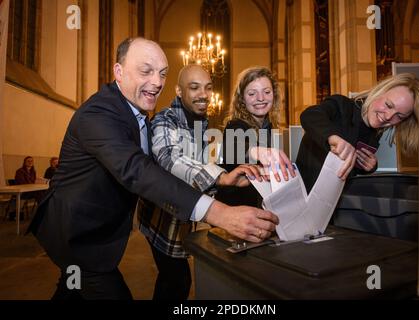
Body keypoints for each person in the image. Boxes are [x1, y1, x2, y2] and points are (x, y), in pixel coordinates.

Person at [27, 38, 280, 300]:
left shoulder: (137, 112)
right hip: (75, 232)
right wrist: (220, 213)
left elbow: (195, 159)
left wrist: (223, 176)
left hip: (103, 229)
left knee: (70, 291)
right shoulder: (99, 113)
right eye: (145, 71)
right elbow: (140, 169)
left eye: (162, 74)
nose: (157, 82)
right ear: (119, 72)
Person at [139, 64, 264, 300]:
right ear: (178, 91)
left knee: (174, 281)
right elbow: (169, 157)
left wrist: (235, 171)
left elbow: (198, 169)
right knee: (177, 281)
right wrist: (220, 176)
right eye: (194, 87)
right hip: (161, 222)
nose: (203, 94)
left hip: (182, 220)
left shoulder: (201, 124)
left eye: (208, 88)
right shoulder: (165, 119)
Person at [295, 72, 419, 193]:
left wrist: (368, 167)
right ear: (379, 92)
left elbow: (349, 169)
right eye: (389, 105)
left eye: (399, 116)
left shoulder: (375, 134)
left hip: (336, 202)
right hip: (306, 193)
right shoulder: (342, 106)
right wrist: (333, 138)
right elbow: (310, 115)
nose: (389, 116)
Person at [216, 66, 287, 207]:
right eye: (252, 93)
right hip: (233, 210)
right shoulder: (235, 125)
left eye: (266, 92)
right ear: (242, 99)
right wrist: (255, 151)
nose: (261, 98)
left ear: (274, 95)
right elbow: (233, 147)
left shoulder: (268, 127)